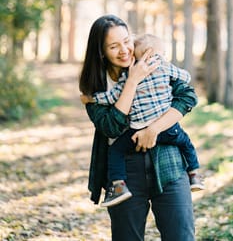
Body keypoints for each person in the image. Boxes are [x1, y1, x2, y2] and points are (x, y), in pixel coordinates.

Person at [79, 14, 198, 241]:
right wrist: (132, 81)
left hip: (168, 160)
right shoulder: (95, 85)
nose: (124, 50)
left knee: (181, 236)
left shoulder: (152, 61)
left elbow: (188, 96)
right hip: (124, 172)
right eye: (114, 46)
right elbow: (112, 127)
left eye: (126, 41)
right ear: (101, 52)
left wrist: (153, 130)